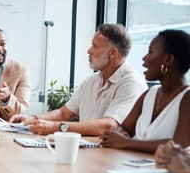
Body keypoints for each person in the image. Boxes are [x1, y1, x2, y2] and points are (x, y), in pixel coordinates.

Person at [10, 24, 147, 136]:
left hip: (114, 159)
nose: (89, 51)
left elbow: (109, 125)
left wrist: (57, 127)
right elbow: (64, 113)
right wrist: (32, 120)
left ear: (113, 53)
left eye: (95, 46)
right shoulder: (91, 81)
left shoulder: (132, 84)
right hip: (89, 150)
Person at [100, 30, 190, 153]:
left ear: (168, 59)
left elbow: (179, 145)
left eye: (150, 52)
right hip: (131, 166)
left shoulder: (187, 97)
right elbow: (125, 128)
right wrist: (115, 135)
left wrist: (127, 142)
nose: (144, 58)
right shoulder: (150, 94)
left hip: (164, 171)